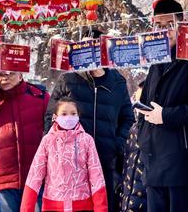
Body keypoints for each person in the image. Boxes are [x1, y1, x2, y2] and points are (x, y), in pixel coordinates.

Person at [136, 0, 188, 212]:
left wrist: (167, 116)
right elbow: (146, 101)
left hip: (182, 161)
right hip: (154, 161)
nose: (165, 31)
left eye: (169, 25)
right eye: (159, 26)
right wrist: (142, 137)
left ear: (181, 24)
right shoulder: (156, 59)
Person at [45, 28, 134, 212]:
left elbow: (128, 119)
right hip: (71, 165)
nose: (87, 52)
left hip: (104, 163)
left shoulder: (118, 82)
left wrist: (116, 146)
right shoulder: (68, 79)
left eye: (93, 47)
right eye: (83, 47)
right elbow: (50, 117)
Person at [0, 71, 50, 212]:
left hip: (37, 178)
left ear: (21, 75)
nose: (5, 78)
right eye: (0, 74)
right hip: (5, 178)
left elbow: (54, 130)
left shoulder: (40, 97)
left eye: (10, 74)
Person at [21, 97, 108, 212]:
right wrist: (27, 208)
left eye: (73, 113)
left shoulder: (87, 140)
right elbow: (35, 175)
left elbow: (96, 176)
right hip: (53, 206)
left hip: (82, 206)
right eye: (64, 114)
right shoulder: (48, 141)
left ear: (78, 116)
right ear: (55, 117)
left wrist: (101, 208)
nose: (69, 117)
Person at [118, 81, 147, 212]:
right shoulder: (133, 129)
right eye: (137, 100)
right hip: (126, 198)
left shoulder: (159, 130)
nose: (138, 105)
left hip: (146, 200)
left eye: (143, 100)